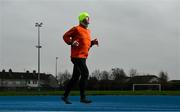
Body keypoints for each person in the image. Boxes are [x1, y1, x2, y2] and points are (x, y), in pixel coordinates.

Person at [61, 12, 99, 104]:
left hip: (83, 57)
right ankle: (83, 97)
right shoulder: (76, 29)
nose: (88, 20)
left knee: (75, 77)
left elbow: (86, 45)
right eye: (86, 19)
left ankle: (65, 96)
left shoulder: (88, 31)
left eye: (88, 19)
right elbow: (65, 36)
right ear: (82, 19)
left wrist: (93, 43)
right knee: (85, 73)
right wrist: (71, 42)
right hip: (77, 56)